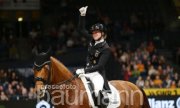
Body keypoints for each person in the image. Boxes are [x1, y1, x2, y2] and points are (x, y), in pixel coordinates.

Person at [75, 6, 112, 100]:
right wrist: (82, 15)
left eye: (97, 32)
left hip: (97, 74)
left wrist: (84, 71)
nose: (94, 34)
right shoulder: (91, 40)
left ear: (102, 33)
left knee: (97, 94)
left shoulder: (106, 48)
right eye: (93, 32)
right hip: (87, 71)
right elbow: (80, 30)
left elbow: (100, 66)